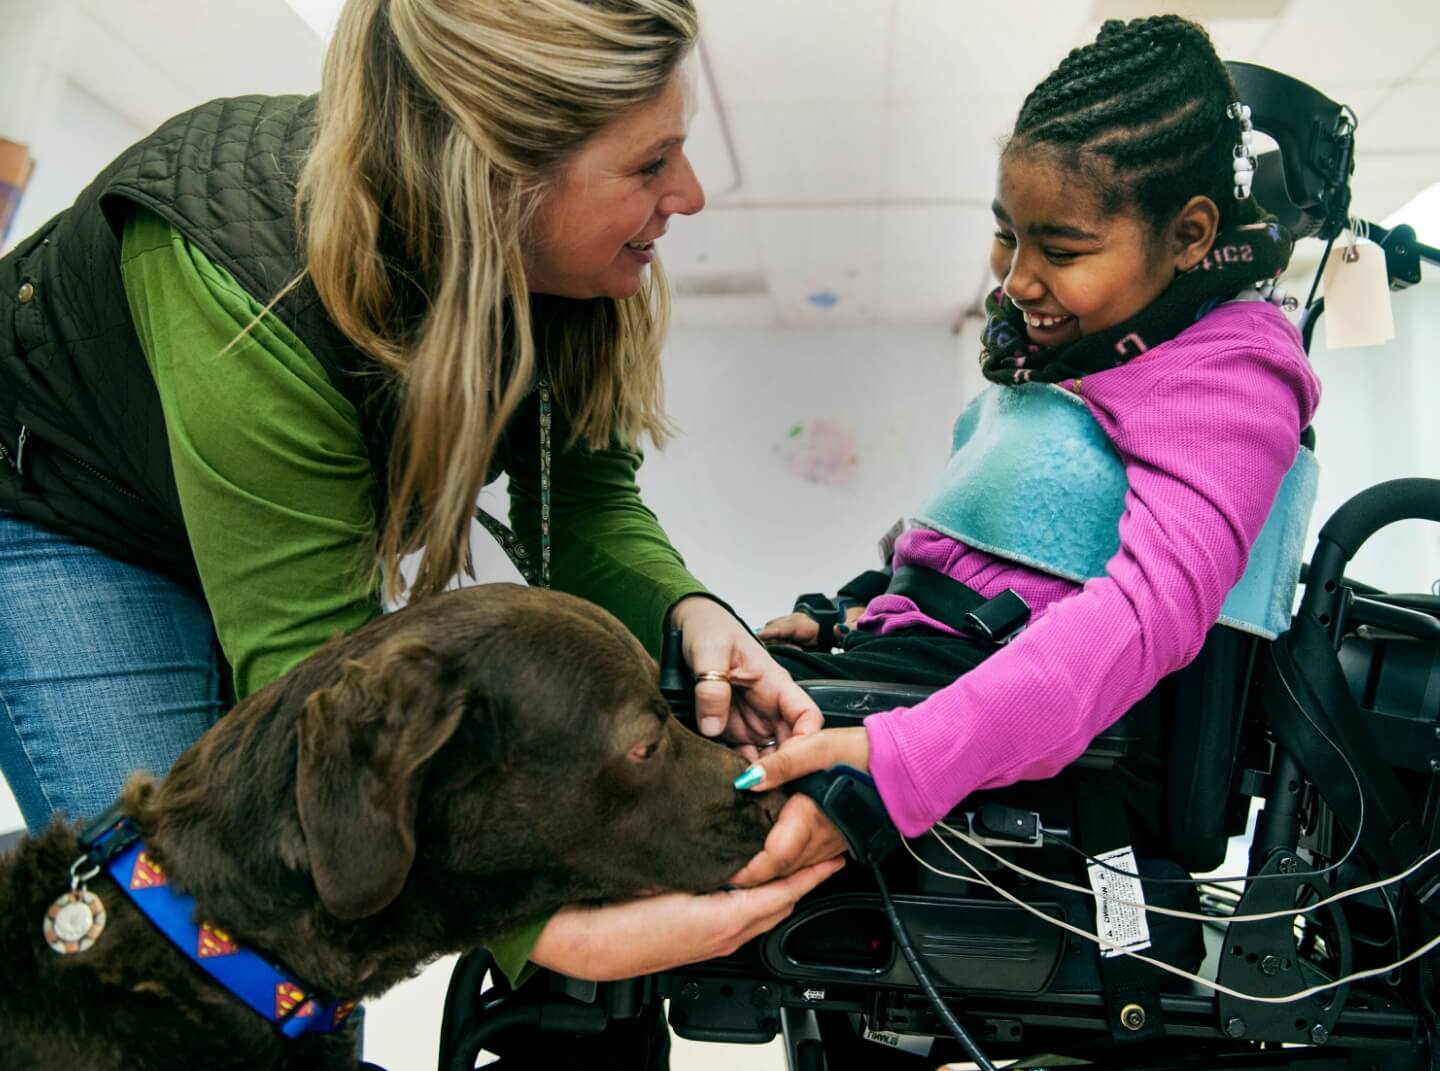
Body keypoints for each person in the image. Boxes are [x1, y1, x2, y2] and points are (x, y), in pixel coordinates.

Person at [0, 0, 839, 1065]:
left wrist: (693, 610)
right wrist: (555, 935)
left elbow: (577, 505)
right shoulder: (244, 269)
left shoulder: (566, 264)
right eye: (651, 163)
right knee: (213, 945)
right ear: (498, 173)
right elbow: (311, 671)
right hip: (73, 520)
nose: (688, 195)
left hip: (248, 525)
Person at [734, 14, 1323, 885]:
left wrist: (898, 768)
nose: (1017, 280)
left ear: (1192, 235)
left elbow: (1136, 620)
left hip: (1027, 728)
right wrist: (854, 609)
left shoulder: (1229, 370)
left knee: (659, 748)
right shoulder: (1083, 359)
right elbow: (992, 551)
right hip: (926, 660)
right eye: (1009, 233)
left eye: (1063, 248)